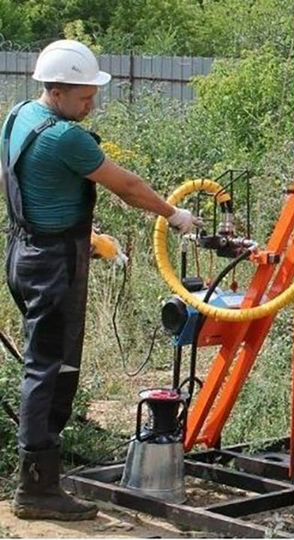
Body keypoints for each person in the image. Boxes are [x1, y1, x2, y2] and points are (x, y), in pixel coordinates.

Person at [1, 39, 200, 521]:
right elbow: (128, 187)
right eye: (85, 95)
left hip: (26, 251)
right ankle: (37, 489)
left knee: (43, 365)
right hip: (53, 266)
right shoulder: (64, 137)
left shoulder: (19, 115)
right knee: (50, 370)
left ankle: (41, 472)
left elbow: (26, 179)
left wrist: (75, 230)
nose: (93, 103)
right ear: (59, 89)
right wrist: (173, 215)